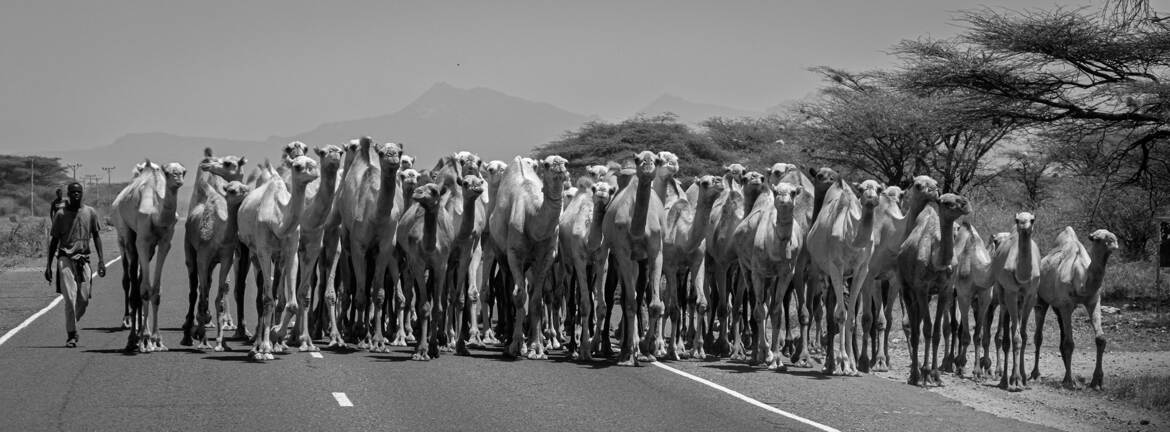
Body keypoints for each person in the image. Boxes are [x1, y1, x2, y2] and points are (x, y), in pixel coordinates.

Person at [44, 182, 106, 348]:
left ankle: (73, 323)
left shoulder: (90, 212)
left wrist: (101, 260)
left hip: (84, 259)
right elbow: (54, 241)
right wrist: (48, 266)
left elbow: (96, 235)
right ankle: (71, 334)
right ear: (68, 195)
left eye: (78, 192)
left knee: (84, 299)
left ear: (82, 194)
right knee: (70, 299)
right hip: (65, 259)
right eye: (72, 192)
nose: (76, 195)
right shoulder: (60, 214)